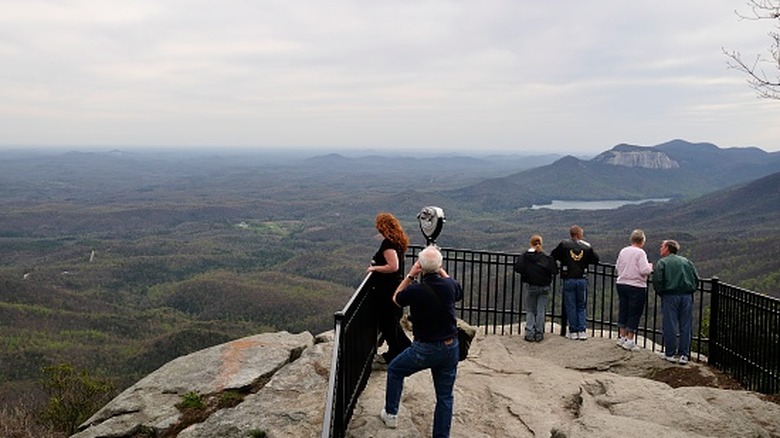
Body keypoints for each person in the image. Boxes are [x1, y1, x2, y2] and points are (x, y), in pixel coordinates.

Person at [380, 245, 464, 438]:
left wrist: (410, 275)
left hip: (424, 349)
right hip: (450, 347)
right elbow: (454, 287)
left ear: (420, 266)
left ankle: (391, 413)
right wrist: (438, 268)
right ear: (441, 266)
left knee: (395, 370)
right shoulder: (450, 286)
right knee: (445, 396)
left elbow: (396, 298)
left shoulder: (416, 290)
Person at [367, 212, 412, 363]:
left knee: (388, 323)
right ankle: (400, 348)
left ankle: (400, 350)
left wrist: (375, 268)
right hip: (394, 287)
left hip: (388, 289)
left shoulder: (388, 244)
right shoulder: (399, 241)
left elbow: (393, 267)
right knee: (391, 321)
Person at [652, 239, 699, 365]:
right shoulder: (687, 262)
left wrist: (662, 292)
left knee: (670, 324)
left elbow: (657, 281)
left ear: (667, 248)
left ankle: (670, 353)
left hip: (670, 296)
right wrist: (690, 290)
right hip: (687, 296)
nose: (660, 248)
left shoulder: (663, 263)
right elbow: (696, 279)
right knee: (685, 325)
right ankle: (684, 354)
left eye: (662, 246)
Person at [551, 225, 599, 340]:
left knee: (571, 305)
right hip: (582, 278)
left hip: (568, 278)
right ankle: (582, 330)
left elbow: (553, 255)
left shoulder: (564, 245)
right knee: (581, 306)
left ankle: (573, 331)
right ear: (578, 234)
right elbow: (596, 259)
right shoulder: (586, 247)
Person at [513, 234, 558, 342]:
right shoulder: (546, 257)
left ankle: (529, 333)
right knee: (541, 310)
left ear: (531, 243)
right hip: (544, 287)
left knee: (530, 310)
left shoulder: (525, 256)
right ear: (541, 244)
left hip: (531, 286)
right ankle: (539, 333)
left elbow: (518, 268)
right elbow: (555, 271)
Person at [615, 229, 653, 351]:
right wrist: (650, 267)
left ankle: (622, 337)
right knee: (634, 313)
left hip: (621, 283)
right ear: (642, 241)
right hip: (636, 286)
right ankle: (630, 340)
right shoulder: (640, 253)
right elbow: (644, 270)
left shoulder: (623, 251)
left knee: (623, 310)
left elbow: (617, 266)